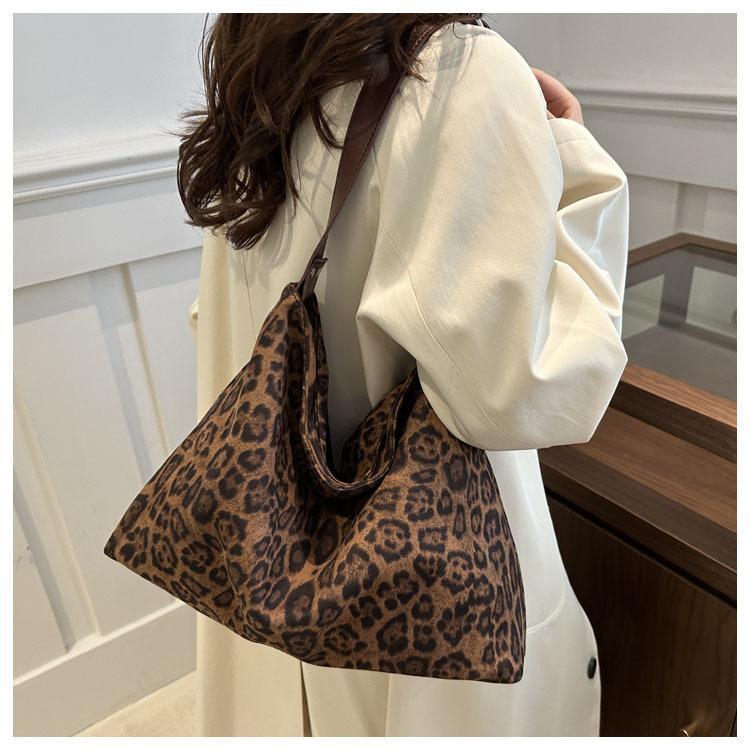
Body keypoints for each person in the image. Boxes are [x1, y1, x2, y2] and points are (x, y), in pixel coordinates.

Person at [184, 14, 629, 737]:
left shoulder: (265, 62)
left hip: (270, 570)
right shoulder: (455, 72)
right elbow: (529, 388)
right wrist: (575, 159)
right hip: (413, 626)